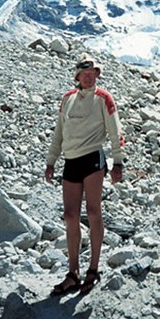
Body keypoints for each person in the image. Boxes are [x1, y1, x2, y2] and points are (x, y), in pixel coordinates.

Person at [45, 54, 125, 295]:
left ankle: (93, 268)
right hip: (70, 160)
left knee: (92, 211)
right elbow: (59, 132)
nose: (90, 77)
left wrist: (118, 162)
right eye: (85, 73)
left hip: (92, 158)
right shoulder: (67, 99)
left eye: (94, 74)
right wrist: (51, 161)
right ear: (77, 76)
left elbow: (115, 130)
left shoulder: (103, 98)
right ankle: (73, 272)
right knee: (70, 215)